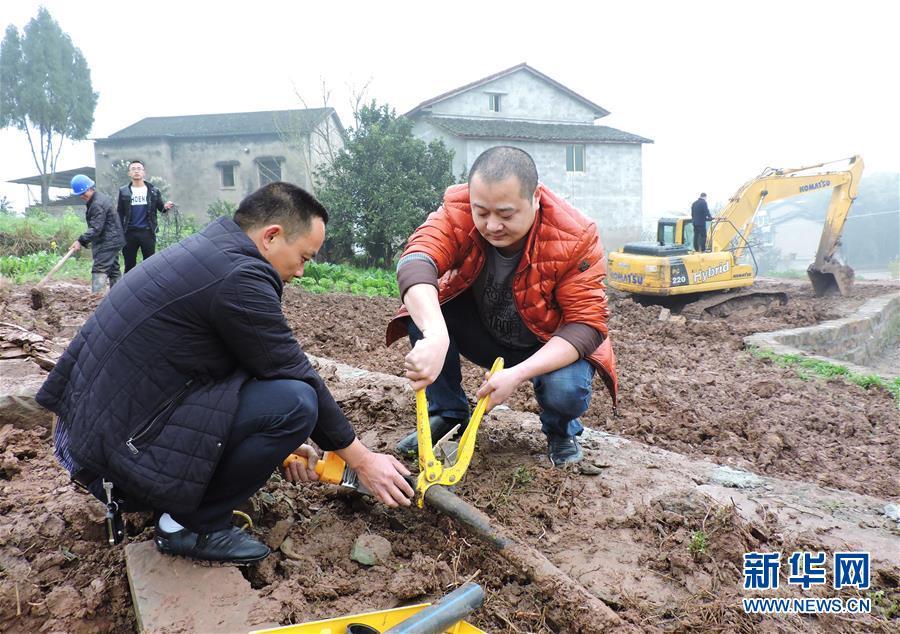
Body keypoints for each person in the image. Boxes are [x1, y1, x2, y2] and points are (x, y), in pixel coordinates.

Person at [37, 182, 413, 564]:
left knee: (285, 402)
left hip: (102, 435)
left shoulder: (214, 252)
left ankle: (182, 503)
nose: (301, 271)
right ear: (271, 236)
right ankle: (187, 525)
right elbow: (297, 374)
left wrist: (278, 445)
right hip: (113, 460)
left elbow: (244, 364)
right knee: (297, 403)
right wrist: (362, 460)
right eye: (304, 257)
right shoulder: (238, 277)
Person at [386, 146, 618, 467]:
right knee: (422, 312)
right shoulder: (457, 211)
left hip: (545, 343)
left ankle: (561, 431)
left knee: (565, 389)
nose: (492, 225)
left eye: (506, 214)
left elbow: (587, 325)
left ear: (535, 197)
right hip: (485, 331)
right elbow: (416, 260)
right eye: (481, 212)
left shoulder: (576, 235)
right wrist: (436, 335)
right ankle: (448, 413)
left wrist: (518, 374)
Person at [69, 174, 125, 293]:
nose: (82, 196)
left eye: (83, 193)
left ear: (90, 188)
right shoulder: (98, 199)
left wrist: (81, 240)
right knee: (113, 270)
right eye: (80, 194)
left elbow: (96, 228)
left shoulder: (97, 204)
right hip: (112, 239)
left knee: (100, 268)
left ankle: (95, 300)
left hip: (108, 242)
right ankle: (120, 295)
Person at [116, 159, 174, 272]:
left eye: (139, 169)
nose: (136, 171)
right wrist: (119, 231)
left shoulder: (153, 191)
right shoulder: (124, 191)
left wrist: (166, 207)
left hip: (147, 232)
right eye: (133, 169)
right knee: (129, 264)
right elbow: (120, 212)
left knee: (150, 264)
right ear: (129, 173)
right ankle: (129, 288)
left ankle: (149, 288)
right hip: (129, 233)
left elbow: (161, 209)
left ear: (144, 172)